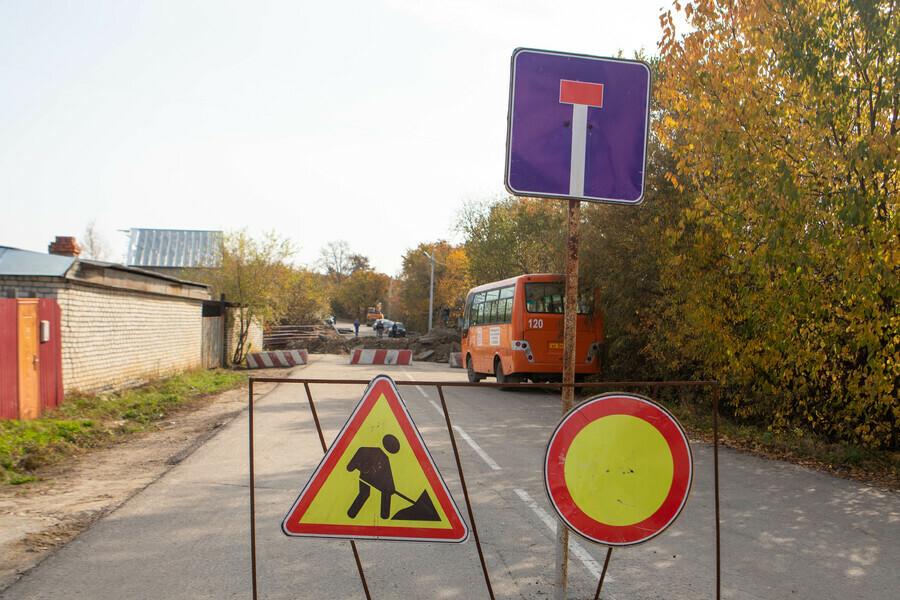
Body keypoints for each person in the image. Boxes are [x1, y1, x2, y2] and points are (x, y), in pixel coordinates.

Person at [346, 434, 401, 519]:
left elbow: (388, 477)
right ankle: (350, 515)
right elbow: (349, 467)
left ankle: (384, 516)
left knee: (382, 492)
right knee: (365, 493)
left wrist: (391, 488)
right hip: (366, 477)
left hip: (375, 479)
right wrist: (361, 467)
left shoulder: (385, 459)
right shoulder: (364, 451)